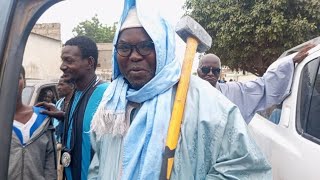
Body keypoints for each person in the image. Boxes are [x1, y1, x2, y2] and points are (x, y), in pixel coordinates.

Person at [88, 3, 271, 180]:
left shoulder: (210, 106)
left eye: (145, 46)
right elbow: (99, 166)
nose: (134, 56)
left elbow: (248, 170)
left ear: (163, 48)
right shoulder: (110, 106)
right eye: (124, 48)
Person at [37, 36, 109, 180]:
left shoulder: (107, 95)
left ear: (89, 62)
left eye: (69, 61)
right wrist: (63, 117)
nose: (62, 66)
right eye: (62, 60)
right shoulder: (76, 93)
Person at [197, 46, 315, 123]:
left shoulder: (234, 91)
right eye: (206, 69)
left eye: (216, 70)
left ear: (220, 72)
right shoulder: (186, 94)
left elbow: (262, 85)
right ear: (198, 71)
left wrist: (290, 63)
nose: (211, 74)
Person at [9, 66, 56, 180]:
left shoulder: (42, 118)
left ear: (24, 82)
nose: (13, 82)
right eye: (8, 78)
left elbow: (50, 165)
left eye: (18, 78)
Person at [54, 76, 74, 142]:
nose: (58, 87)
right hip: (58, 143)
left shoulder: (76, 103)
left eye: (61, 84)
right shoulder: (59, 103)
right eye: (58, 85)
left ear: (71, 86)